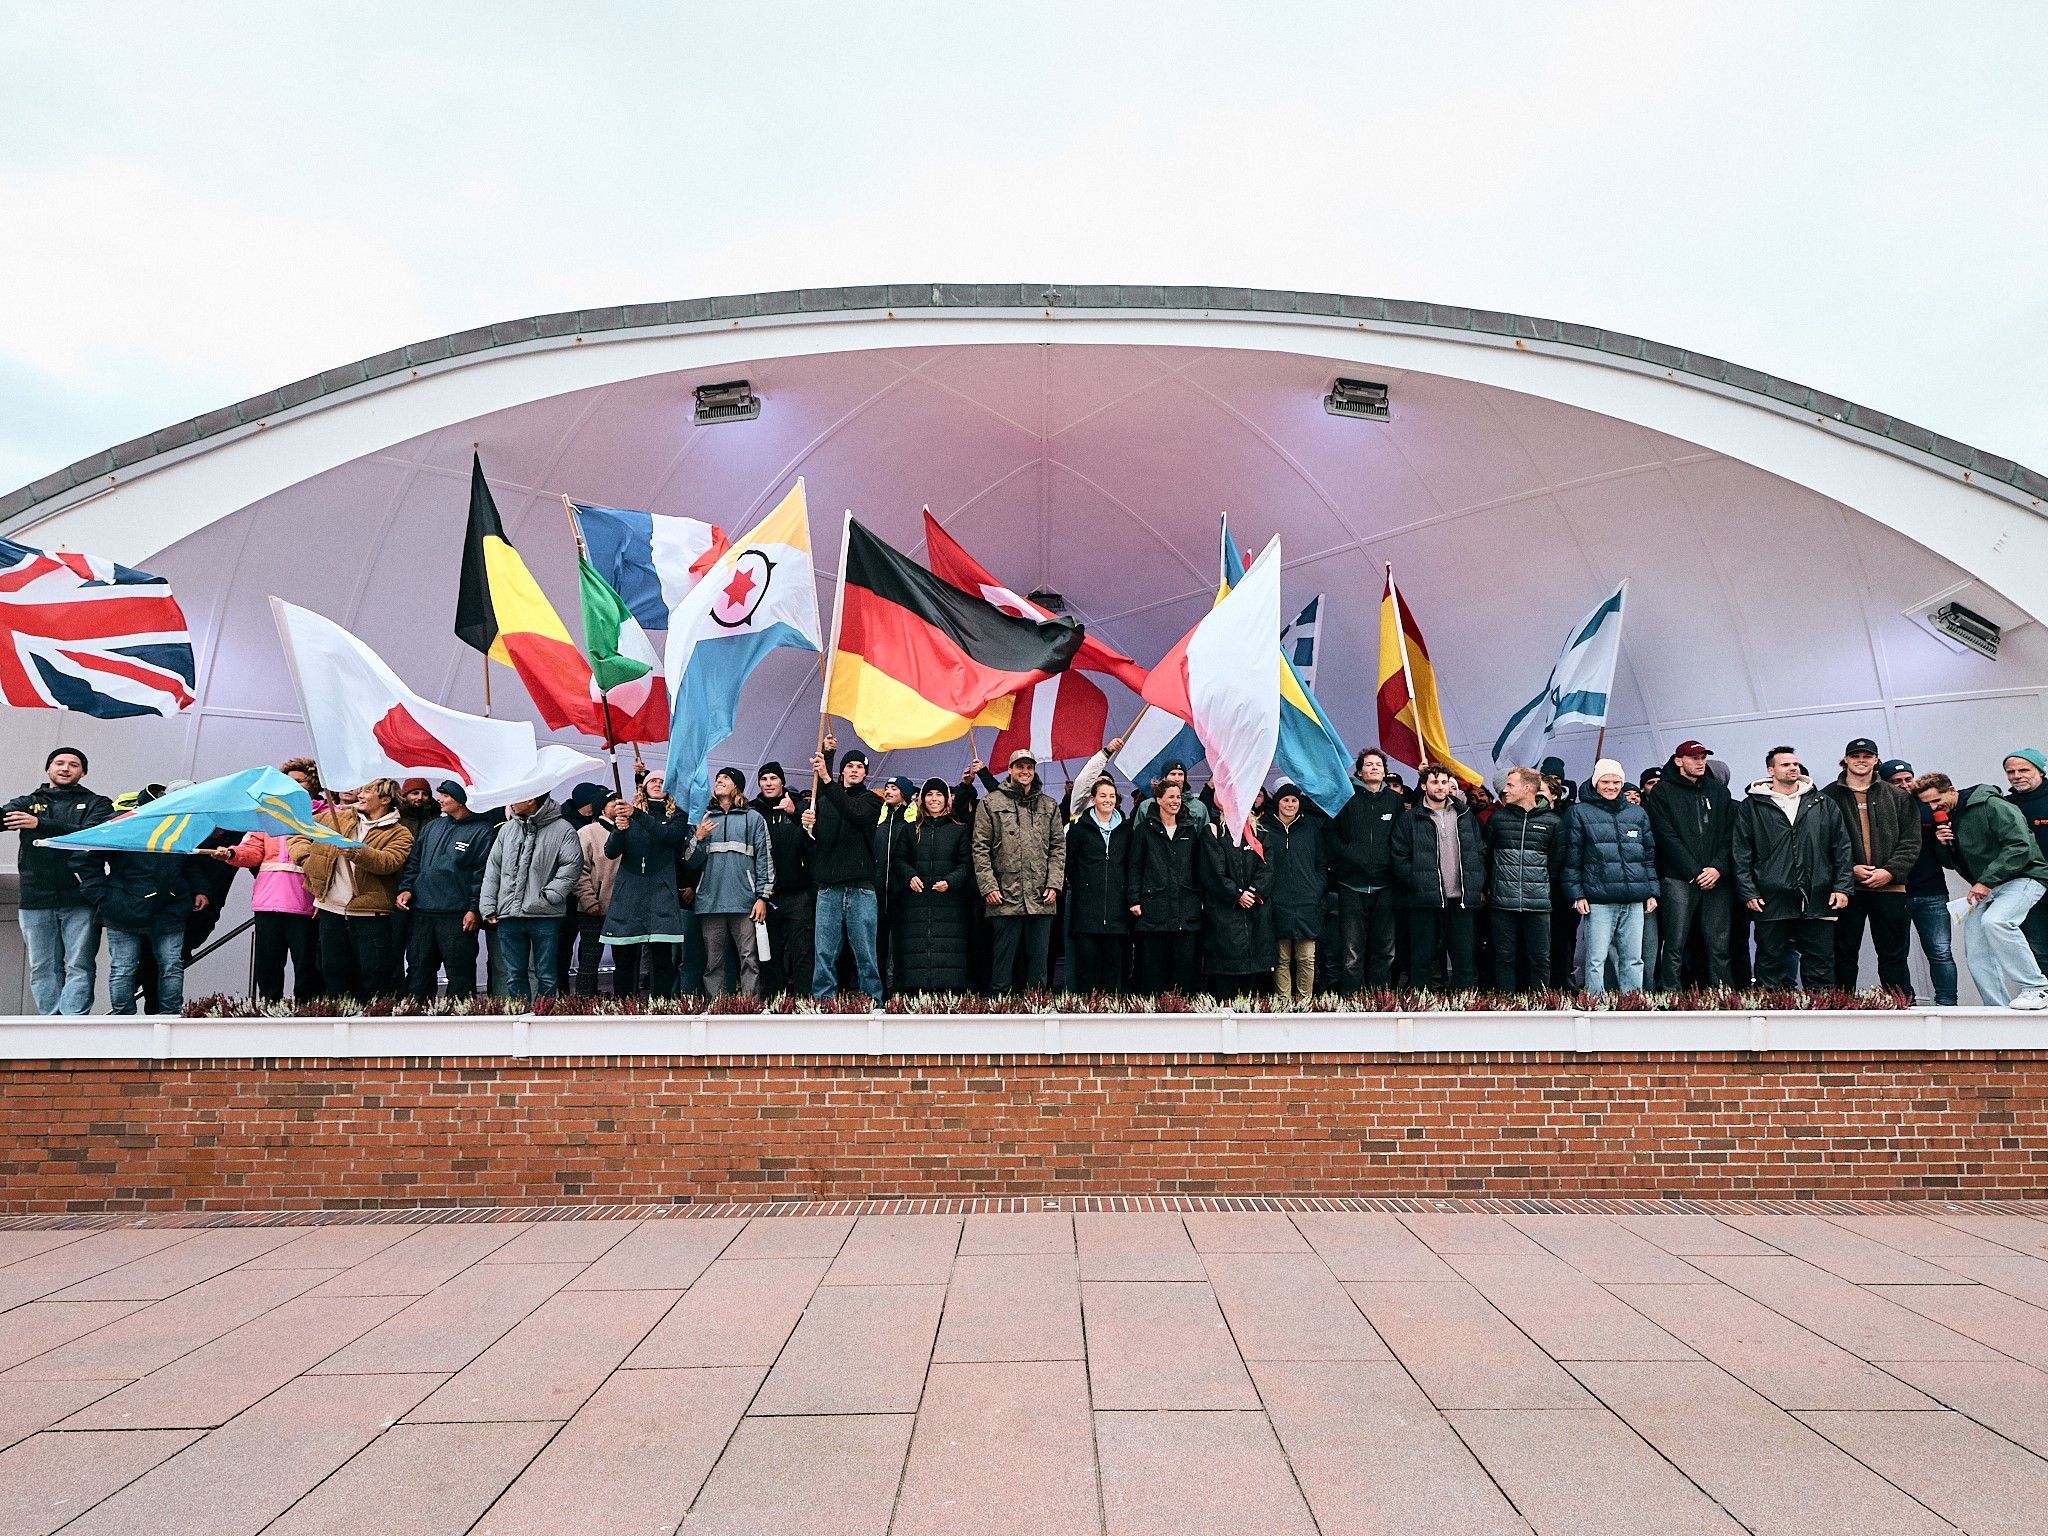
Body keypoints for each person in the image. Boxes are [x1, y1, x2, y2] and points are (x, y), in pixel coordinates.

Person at [1915, 771, 2048, 1009]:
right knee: (1976, 949)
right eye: (1928, 804)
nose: (1933, 807)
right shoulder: (1948, 816)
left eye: (1936, 800)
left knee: (1996, 921)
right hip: (1989, 885)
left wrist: (1986, 881)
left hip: (2025, 876)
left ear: (1952, 790)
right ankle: (1996, 1008)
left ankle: (2036, 988)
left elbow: (2020, 845)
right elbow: (1950, 863)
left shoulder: (1991, 804)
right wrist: (1944, 844)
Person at [4, 746, 112, 1015]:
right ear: (48, 769)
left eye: (73, 764)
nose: (65, 768)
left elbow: (91, 834)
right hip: (35, 897)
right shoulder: (27, 802)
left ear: (83, 772)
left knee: (80, 963)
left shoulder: (98, 803)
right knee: (42, 965)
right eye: (59, 763)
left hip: (81, 896)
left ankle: (73, 1023)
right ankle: (50, 1023)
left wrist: (39, 824)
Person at [1732, 747, 1852, 989]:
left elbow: (1841, 847)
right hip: (1770, 895)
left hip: (1817, 893)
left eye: (1795, 764)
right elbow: (1741, 852)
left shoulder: (1822, 803)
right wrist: (1749, 892)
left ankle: (1820, 1016)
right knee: (1770, 961)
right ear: (1771, 770)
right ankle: (1769, 1016)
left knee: (1820, 963)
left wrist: (1842, 887)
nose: (1793, 768)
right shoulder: (1752, 806)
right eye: (1785, 764)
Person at [85, 789, 206, 1016]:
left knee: (170, 966)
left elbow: (189, 862)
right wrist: (100, 894)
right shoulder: (122, 824)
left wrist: (200, 890)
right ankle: (124, 1022)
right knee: (125, 968)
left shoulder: (178, 825)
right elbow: (87, 858)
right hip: (125, 908)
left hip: (167, 907)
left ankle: (170, 1017)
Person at [292, 778, 414, 1001]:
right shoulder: (335, 818)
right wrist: (304, 858)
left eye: (368, 792)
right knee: (333, 975)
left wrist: (355, 851)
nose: (360, 795)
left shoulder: (400, 833)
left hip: (370, 916)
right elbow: (298, 830)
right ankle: (339, 1024)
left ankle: (370, 1026)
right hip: (331, 912)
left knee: (374, 976)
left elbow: (388, 862)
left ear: (385, 800)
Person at [1818, 737, 1920, 995]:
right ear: (1846, 760)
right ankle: (1841, 1009)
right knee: (1843, 954)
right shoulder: (1827, 797)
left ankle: (1900, 1007)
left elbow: (1911, 841)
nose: (1861, 760)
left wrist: (1890, 872)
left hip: (1891, 888)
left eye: (1867, 756)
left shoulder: (1898, 796)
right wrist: (1850, 869)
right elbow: (1820, 844)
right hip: (1845, 890)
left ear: (1876, 760)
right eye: (1855, 756)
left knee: (1893, 955)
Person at [973, 749, 1068, 993]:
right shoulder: (991, 803)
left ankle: (1038, 1008)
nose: (1025, 772)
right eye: (1020, 767)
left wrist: (1054, 884)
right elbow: (980, 848)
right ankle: (1000, 1009)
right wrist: (989, 886)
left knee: (1039, 960)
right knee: (1003, 959)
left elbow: (1059, 847)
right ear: (1010, 769)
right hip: (1004, 893)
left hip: (1041, 894)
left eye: (1029, 767)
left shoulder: (1049, 805)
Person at [1563, 758, 1658, 996]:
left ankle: (1632, 1001)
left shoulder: (1637, 813)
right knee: (1596, 958)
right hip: (1598, 899)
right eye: (1605, 781)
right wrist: (1577, 894)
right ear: (1595, 782)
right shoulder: (1579, 813)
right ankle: (1595, 1002)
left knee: (1634, 957)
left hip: (1634, 898)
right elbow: (1572, 859)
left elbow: (1647, 857)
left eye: (1617, 782)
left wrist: (1652, 892)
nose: (1611, 786)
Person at [227, 766, 323, 1002]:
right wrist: (231, 854)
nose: (292, 785)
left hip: (306, 902)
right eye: (288, 781)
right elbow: (251, 851)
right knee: (268, 965)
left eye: (299, 781)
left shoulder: (322, 816)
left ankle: (308, 1013)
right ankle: (270, 1010)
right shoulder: (266, 815)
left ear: (312, 784)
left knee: (307, 966)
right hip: (268, 902)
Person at [1645, 739, 1735, 990]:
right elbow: (1665, 835)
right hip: (1679, 878)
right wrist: (1694, 872)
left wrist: (1717, 868)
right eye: (1694, 758)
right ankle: (1670, 994)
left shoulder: (1718, 791)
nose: (1700, 762)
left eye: (1703, 757)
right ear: (1678, 761)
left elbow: (1729, 834)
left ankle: (1722, 994)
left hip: (1716, 878)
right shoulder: (1663, 791)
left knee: (1719, 943)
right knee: (1675, 942)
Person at [394, 781, 496, 1000]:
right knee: (418, 968)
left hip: (456, 915)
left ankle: (460, 1022)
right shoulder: (433, 826)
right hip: (422, 911)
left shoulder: (482, 831)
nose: (440, 800)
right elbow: (414, 862)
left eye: (446, 796)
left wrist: (473, 909)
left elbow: (483, 875)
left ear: (461, 800)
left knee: (460, 972)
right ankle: (415, 1016)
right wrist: (407, 888)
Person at [478, 792, 584, 1000]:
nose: (511, 802)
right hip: (508, 914)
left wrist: (551, 895)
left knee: (546, 974)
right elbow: (493, 870)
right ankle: (520, 1017)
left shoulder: (563, 829)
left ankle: (544, 1019)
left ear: (530, 799)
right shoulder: (507, 829)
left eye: (516, 797)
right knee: (514, 974)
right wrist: (489, 907)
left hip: (544, 915)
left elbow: (572, 866)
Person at [1391, 765, 1486, 989]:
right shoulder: (1410, 819)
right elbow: (1399, 855)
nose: (1441, 787)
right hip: (1424, 898)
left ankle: (1464, 1005)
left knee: (1464, 957)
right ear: (1424, 786)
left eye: (1444, 782)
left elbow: (1479, 851)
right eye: (1435, 782)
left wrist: (1476, 882)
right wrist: (1417, 882)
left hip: (1460, 897)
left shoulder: (1464, 814)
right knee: (1422, 958)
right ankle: (1421, 1005)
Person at [685, 767, 775, 998]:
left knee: (749, 959)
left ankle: (749, 1008)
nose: (719, 781)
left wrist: (762, 897)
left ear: (736, 786)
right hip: (710, 902)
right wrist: (699, 837)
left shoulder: (753, 818)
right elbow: (690, 862)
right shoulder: (702, 818)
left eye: (725, 778)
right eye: (718, 778)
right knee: (713, 963)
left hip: (745, 903)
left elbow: (765, 858)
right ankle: (717, 1008)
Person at [807, 743, 883, 1000]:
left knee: (865, 953)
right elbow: (815, 842)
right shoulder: (826, 799)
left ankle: (872, 1002)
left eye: (859, 767)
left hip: (861, 888)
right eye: (849, 766)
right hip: (829, 888)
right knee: (824, 953)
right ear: (842, 771)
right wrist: (806, 824)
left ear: (865, 774)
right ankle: (823, 1003)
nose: (854, 770)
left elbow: (853, 812)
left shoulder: (872, 800)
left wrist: (827, 777)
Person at [602, 772, 689, 996]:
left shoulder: (677, 816)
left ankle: (661, 1008)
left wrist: (637, 814)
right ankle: (624, 1007)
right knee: (624, 961)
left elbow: (669, 836)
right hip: (629, 896)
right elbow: (611, 852)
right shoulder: (627, 816)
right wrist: (618, 831)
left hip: (662, 896)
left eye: (662, 782)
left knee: (662, 961)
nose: (658, 784)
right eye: (653, 781)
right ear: (644, 786)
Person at [1886, 759, 1958, 1006]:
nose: (1905, 785)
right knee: (1896, 954)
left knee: (1940, 953)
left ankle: (1947, 1004)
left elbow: (1949, 857)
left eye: (1908, 779)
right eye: (1896, 782)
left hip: (1932, 891)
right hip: (1895, 892)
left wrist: (1944, 842)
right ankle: (1905, 1004)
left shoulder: (1930, 806)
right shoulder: (1883, 811)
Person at [1485, 766, 1564, 992]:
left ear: (1527, 788)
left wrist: (1543, 889)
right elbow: (1487, 857)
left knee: (1540, 959)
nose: (1505, 789)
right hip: (1503, 901)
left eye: (1510, 785)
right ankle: (1507, 1005)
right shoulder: (1497, 819)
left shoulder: (1552, 822)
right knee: (1504, 957)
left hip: (1537, 902)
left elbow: (1556, 864)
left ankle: (1540, 1005)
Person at [1329, 749, 1403, 990]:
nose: (1374, 768)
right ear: (1359, 771)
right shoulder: (1346, 798)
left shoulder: (1395, 801)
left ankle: (1380, 999)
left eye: (1379, 764)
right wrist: (1348, 854)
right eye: (1369, 764)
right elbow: (1331, 833)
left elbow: (1402, 839)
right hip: (1351, 884)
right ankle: (1352, 1002)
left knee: (1385, 950)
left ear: (1384, 771)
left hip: (1385, 885)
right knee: (1352, 952)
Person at [893, 779, 972, 992]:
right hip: (915, 905)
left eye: (939, 794)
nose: (934, 799)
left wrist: (951, 881)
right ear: (922, 799)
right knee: (915, 957)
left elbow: (967, 864)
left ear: (947, 799)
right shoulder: (910, 830)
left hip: (949, 905)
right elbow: (898, 859)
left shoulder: (960, 830)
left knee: (948, 957)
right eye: (929, 794)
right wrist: (909, 875)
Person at [1127, 778, 1203, 993]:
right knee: (1154, 967)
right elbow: (1135, 866)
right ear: (1158, 799)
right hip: (1154, 907)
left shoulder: (1190, 829)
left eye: (1178, 797)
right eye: (1171, 797)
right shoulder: (1144, 830)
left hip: (1185, 908)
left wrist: (1199, 898)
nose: (1176, 801)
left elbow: (1198, 867)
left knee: (1184, 966)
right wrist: (1134, 898)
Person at [1065, 773, 1133, 994]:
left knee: (1113, 966)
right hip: (1087, 910)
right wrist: (1084, 885)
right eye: (1103, 795)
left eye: (1112, 796)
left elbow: (1130, 865)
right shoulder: (1078, 828)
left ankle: (1111, 1012)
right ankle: (1086, 1012)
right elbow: (1070, 863)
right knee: (1086, 965)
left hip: (1117, 911)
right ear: (1093, 798)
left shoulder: (1125, 829)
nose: (1108, 800)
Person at [751, 761, 814, 997]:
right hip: (767, 896)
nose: (768, 783)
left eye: (773, 779)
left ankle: (803, 1002)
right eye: (764, 779)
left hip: (797, 892)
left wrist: (794, 813)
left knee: (802, 953)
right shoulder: (753, 811)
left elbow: (813, 841)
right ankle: (774, 1003)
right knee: (768, 953)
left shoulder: (799, 806)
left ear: (782, 782)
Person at [1199, 810, 1276, 996]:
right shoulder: (1214, 831)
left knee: (1251, 981)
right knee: (1225, 976)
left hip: (1256, 914)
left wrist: (1253, 892)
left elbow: (1268, 868)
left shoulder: (1260, 832)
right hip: (1224, 915)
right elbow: (1213, 872)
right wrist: (1236, 895)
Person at [1263, 784, 1326, 1004]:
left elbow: (1321, 863)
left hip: (1308, 902)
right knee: (1281, 958)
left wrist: (1316, 889)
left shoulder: (1311, 827)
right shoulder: (1264, 828)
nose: (1290, 805)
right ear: (1277, 803)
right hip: (1277, 902)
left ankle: (1305, 1003)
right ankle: (1284, 1004)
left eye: (1294, 801)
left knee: (1306, 958)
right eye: (1285, 800)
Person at [2000, 749, 2048, 972]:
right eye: (2011, 772)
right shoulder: (2005, 805)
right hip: (2027, 888)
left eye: (2023, 770)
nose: (2016, 775)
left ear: (2040, 770)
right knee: (2038, 949)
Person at [570, 793, 620, 995]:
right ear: (601, 808)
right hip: (593, 909)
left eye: (620, 801)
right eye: (611, 802)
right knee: (589, 959)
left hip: (623, 910)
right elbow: (577, 870)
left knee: (625, 960)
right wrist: (589, 901)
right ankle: (584, 1000)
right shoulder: (587, 833)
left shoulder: (631, 831)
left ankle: (625, 1002)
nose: (617, 805)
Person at [873, 774, 917, 993]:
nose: (888, 791)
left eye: (894, 788)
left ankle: (899, 992)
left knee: (901, 946)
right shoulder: (878, 820)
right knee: (877, 945)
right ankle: (879, 992)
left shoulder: (913, 823)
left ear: (905, 795)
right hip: (879, 893)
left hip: (902, 894)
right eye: (887, 788)